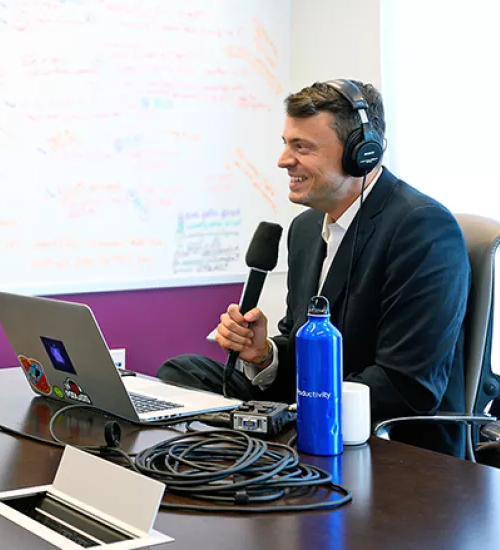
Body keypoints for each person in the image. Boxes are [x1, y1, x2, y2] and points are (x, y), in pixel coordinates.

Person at [157, 80, 470, 456]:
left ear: (360, 153)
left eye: (301, 147)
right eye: (286, 143)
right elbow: (299, 342)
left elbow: (407, 387)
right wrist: (266, 354)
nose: (283, 160)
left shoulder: (424, 229)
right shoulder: (306, 228)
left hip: (384, 439)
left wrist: (290, 411)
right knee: (181, 373)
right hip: (307, 409)